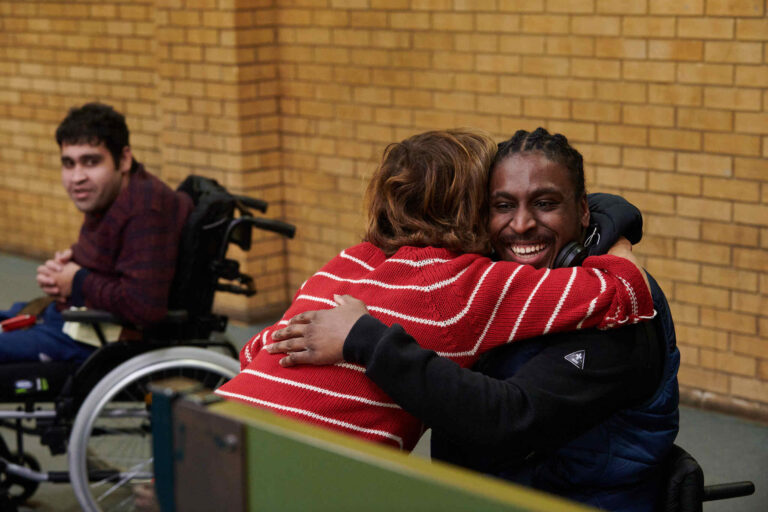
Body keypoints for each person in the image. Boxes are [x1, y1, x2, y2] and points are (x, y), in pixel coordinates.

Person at [267, 128, 679, 511]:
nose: (521, 224)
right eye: (502, 206)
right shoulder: (485, 291)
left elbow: (509, 418)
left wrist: (368, 341)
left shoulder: (617, 316)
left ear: (583, 211)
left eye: (546, 203)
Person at [0, 102, 193, 363]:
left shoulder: (146, 211)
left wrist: (76, 281)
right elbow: (106, 259)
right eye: (68, 164)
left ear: (124, 159)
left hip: (93, 339)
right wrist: (65, 270)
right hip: (72, 318)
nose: (76, 177)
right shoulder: (114, 195)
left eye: (91, 162)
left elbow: (144, 305)